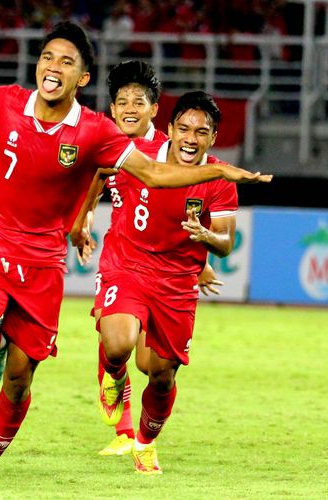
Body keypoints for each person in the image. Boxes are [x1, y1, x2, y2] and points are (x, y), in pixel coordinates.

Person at [0, 22, 270, 494]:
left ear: (82, 79)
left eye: (67, 62)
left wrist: (219, 172)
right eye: (48, 57)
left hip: (44, 264)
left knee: (25, 381)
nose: (54, 67)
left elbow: (151, 172)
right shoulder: (6, 101)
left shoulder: (94, 131)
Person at [76, 90, 239, 475]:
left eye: (201, 131)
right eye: (184, 128)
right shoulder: (141, 155)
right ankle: (114, 378)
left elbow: (227, 241)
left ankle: (145, 443)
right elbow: (97, 171)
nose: (191, 138)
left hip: (177, 282)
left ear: (212, 137)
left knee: (159, 373)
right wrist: (81, 219)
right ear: (169, 129)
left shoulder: (219, 179)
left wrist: (207, 240)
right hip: (127, 264)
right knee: (118, 344)